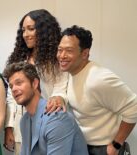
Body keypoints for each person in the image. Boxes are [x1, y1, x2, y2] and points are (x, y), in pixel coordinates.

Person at [57, 25, 137, 155]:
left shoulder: (99, 79)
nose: (62, 56)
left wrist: (116, 145)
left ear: (85, 54)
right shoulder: (71, 72)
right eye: (60, 50)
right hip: (83, 145)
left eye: (69, 50)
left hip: (104, 149)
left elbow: (134, 107)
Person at [4, 9, 68, 155]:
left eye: (31, 29)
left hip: (49, 121)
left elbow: (62, 85)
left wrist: (58, 98)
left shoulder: (56, 58)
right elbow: (10, 96)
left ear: (44, 30)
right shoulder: (18, 59)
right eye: (23, 30)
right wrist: (9, 127)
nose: (26, 34)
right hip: (22, 126)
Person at [3, 62, 88, 155]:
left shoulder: (56, 118)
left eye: (19, 83)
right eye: (11, 86)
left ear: (35, 83)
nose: (14, 89)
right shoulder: (24, 120)